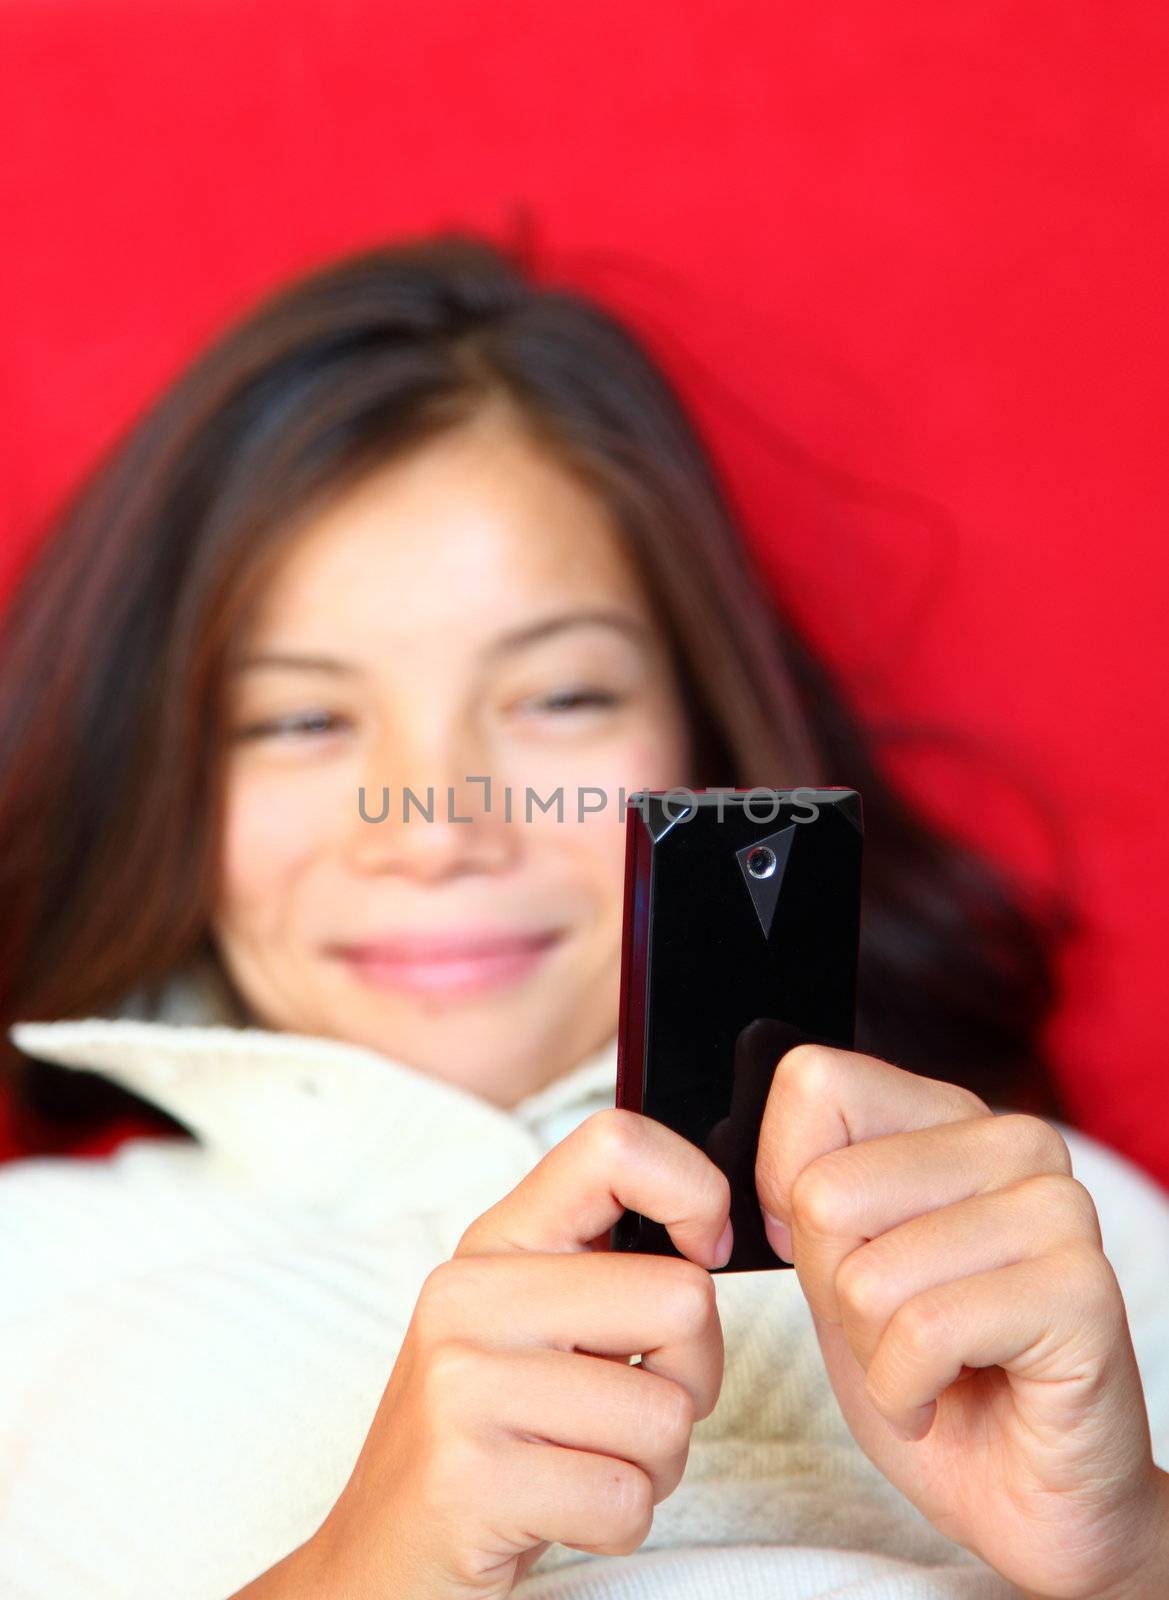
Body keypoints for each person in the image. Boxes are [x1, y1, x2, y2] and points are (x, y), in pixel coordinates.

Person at [0, 233, 1166, 1600]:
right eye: (298, 718)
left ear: (702, 737)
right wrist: (359, 1572)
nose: (436, 829)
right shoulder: (36, 1271)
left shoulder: (1042, 1227)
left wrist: (1132, 1548)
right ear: (156, 787)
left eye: (558, 699)